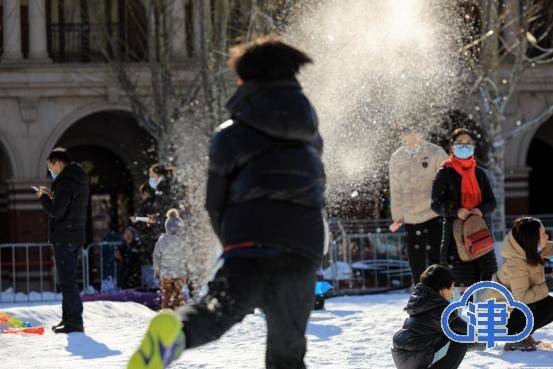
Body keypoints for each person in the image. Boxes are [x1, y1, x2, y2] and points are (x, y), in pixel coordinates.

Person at [129, 37, 326, 369]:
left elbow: (213, 201)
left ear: (245, 81)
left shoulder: (229, 134)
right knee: (287, 347)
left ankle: (175, 333)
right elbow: (313, 190)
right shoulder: (310, 136)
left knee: (217, 311)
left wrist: (234, 246)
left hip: (249, 245)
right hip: (302, 247)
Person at [431, 128, 498, 288]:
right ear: (451, 147)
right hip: (455, 236)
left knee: (485, 281)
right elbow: (435, 204)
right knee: (459, 283)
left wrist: (480, 210)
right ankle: (457, 313)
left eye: (468, 143)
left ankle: (480, 312)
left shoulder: (480, 173)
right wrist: (456, 211)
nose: (464, 146)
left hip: (480, 232)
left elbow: (492, 202)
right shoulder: (445, 173)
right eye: (460, 143)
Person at [36, 148, 89, 334]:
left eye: (51, 167)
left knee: (67, 281)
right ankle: (69, 318)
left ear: (58, 163)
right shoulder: (76, 177)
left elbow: (56, 212)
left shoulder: (66, 181)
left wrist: (44, 198)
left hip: (65, 236)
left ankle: (74, 321)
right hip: (73, 235)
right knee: (68, 279)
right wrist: (52, 196)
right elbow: (66, 206)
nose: (51, 171)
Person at [389, 129, 449, 284]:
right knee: (416, 263)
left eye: (413, 131)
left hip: (435, 215)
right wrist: (397, 217)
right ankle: (421, 298)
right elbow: (395, 190)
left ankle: (445, 296)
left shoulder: (435, 152)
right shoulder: (397, 158)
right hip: (411, 218)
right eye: (405, 132)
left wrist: (448, 208)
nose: (409, 136)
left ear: (420, 131)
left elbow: (449, 181)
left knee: (440, 260)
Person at [492, 217, 553, 351]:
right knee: (538, 302)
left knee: (548, 304)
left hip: (515, 310)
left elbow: (551, 247)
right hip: (502, 318)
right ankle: (516, 337)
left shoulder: (531, 248)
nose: (546, 236)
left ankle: (524, 334)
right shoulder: (516, 263)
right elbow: (522, 298)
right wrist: (549, 284)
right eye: (543, 234)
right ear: (533, 239)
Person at [392, 264, 468, 369]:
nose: (454, 292)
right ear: (443, 290)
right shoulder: (442, 308)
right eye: (452, 288)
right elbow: (466, 329)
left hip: (404, 356)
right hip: (418, 356)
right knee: (461, 338)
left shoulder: (422, 301)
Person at [152, 209, 188, 310]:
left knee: (166, 296)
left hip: (166, 274)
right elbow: (186, 256)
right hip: (180, 273)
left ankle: (165, 313)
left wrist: (157, 270)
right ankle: (178, 314)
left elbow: (156, 257)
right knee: (178, 295)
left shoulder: (162, 241)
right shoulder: (182, 241)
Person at [133, 183, 159, 288]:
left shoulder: (147, 204)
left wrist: (137, 220)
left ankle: (153, 288)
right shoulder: (158, 202)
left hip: (148, 240)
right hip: (156, 238)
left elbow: (146, 221)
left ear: (145, 193)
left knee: (148, 264)